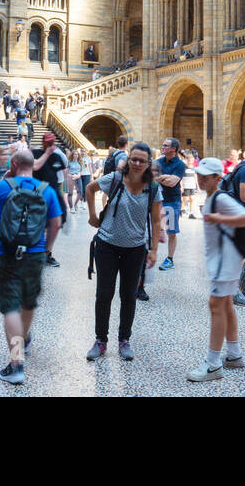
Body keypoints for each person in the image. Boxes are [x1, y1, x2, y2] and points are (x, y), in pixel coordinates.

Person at [0, 149, 63, 384]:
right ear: (33, 166)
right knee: (28, 302)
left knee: (11, 308)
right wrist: (46, 250)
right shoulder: (47, 190)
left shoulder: (2, 186)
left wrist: (3, 181)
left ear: (14, 164)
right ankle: (23, 338)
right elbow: (55, 224)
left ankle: (16, 364)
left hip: (5, 253)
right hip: (35, 253)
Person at [86, 142, 162, 361]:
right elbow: (91, 188)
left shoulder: (153, 188)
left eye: (142, 160)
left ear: (149, 164)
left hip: (135, 249)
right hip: (107, 245)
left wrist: (154, 249)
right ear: (128, 160)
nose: (137, 163)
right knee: (104, 294)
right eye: (133, 159)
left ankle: (124, 340)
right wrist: (92, 216)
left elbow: (156, 220)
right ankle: (100, 339)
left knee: (128, 296)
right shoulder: (116, 179)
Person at [189, 158, 245, 381]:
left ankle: (213, 364)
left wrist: (218, 218)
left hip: (225, 260)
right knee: (225, 304)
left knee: (216, 305)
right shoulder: (213, 197)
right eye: (199, 174)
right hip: (225, 259)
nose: (201, 179)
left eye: (206, 175)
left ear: (217, 178)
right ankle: (234, 354)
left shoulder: (220, 198)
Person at [219, 141, 245, 307]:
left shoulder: (242, 167)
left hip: (239, 214)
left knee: (244, 252)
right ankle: (235, 290)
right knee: (244, 254)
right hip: (241, 215)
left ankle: (237, 289)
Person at [33, 132, 69, 266]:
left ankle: (47, 253)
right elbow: (35, 166)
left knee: (57, 223)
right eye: (47, 142)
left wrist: (66, 187)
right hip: (38, 193)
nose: (49, 145)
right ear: (43, 142)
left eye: (51, 142)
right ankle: (38, 252)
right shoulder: (35, 153)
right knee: (40, 224)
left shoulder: (57, 156)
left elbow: (64, 170)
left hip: (54, 193)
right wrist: (47, 153)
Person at [154, 138, 187, 269]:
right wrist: (165, 177)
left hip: (172, 200)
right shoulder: (158, 162)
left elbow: (172, 182)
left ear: (174, 149)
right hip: (157, 199)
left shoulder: (180, 164)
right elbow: (151, 178)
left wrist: (159, 177)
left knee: (171, 231)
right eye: (163, 145)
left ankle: (170, 259)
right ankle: (151, 254)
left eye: (166, 146)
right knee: (154, 228)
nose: (163, 147)